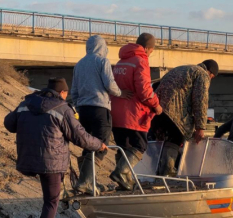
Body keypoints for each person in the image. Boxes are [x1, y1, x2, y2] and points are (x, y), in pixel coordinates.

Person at [3, 78, 107, 218]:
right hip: (52, 163)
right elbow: (81, 137)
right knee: (51, 201)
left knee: (49, 197)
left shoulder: (25, 104)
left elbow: (8, 124)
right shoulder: (63, 109)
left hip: (28, 159)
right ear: (63, 92)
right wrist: (99, 145)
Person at [71, 35, 132, 194]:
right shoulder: (102, 62)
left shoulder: (79, 65)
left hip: (83, 110)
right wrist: (120, 93)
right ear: (102, 47)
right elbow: (110, 85)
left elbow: (74, 91)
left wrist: (79, 105)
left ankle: (87, 182)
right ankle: (85, 182)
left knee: (88, 145)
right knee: (101, 146)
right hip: (100, 109)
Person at [109, 33, 163, 190]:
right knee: (139, 146)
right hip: (134, 114)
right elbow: (144, 91)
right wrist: (156, 104)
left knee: (123, 147)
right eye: (152, 50)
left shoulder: (121, 61)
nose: (151, 53)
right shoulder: (141, 60)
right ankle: (121, 172)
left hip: (117, 113)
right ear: (147, 48)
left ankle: (124, 182)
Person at [151, 59, 219, 176]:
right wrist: (200, 127)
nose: (210, 80)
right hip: (173, 112)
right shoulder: (202, 75)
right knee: (176, 138)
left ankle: (157, 173)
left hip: (158, 110)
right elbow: (200, 101)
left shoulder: (182, 69)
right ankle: (167, 173)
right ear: (210, 72)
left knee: (162, 141)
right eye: (212, 77)